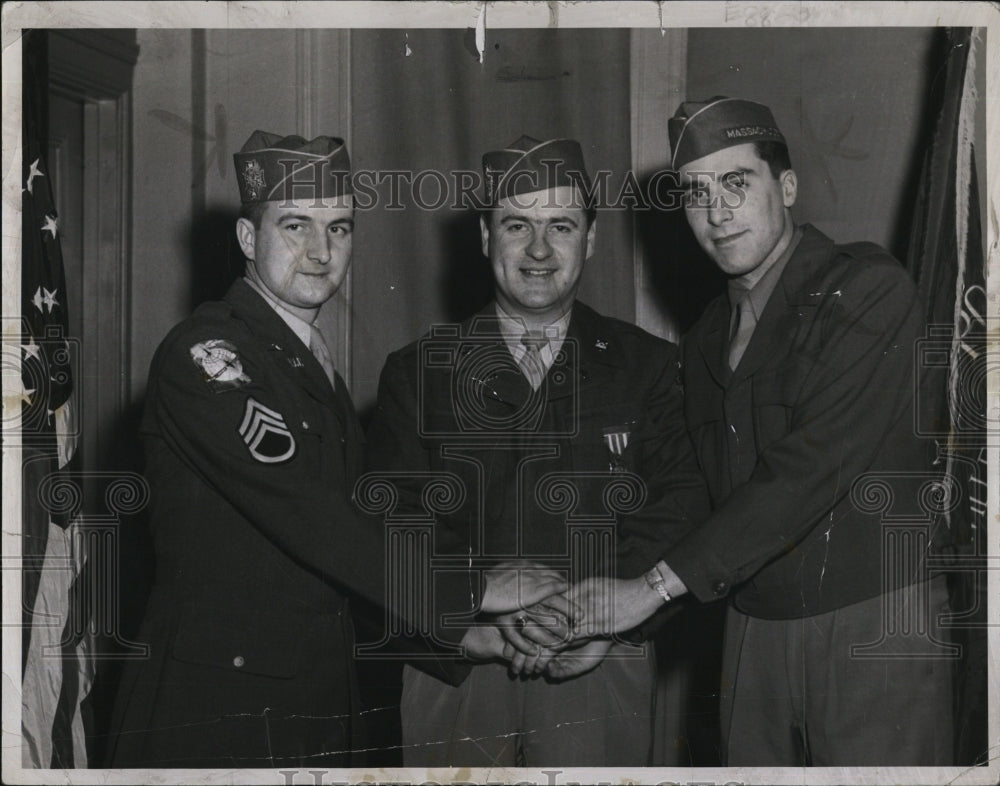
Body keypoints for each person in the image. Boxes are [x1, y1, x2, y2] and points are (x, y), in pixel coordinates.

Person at [107, 131, 565, 768]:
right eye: (296, 225)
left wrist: (464, 636)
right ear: (247, 239)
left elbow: (339, 563)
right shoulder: (210, 354)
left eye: (340, 228)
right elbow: (312, 516)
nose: (321, 252)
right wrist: (472, 587)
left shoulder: (301, 358)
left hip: (312, 699)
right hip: (218, 708)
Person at [563, 97, 955, 766]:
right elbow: (694, 496)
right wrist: (618, 620)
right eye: (696, 193)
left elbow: (808, 468)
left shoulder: (864, 289)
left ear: (788, 187)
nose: (717, 212)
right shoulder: (704, 340)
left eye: (736, 183)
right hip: (749, 629)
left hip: (869, 621)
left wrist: (649, 589)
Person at [364, 135, 710, 766]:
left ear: (592, 239)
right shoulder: (416, 373)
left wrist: (606, 614)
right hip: (457, 662)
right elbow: (393, 519)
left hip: (602, 659)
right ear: (484, 237)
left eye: (562, 225)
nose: (540, 250)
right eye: (517, 224)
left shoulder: (649, 368)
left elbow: (680, 501)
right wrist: (472, 608)